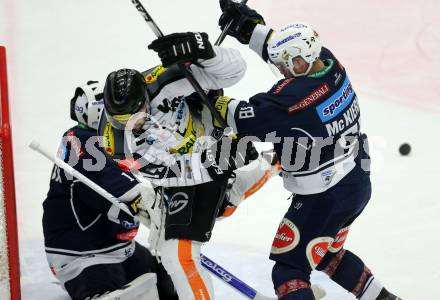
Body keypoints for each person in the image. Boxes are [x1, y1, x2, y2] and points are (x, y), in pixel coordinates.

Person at [199, 1, 400, 299]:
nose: (280, 69)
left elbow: (242, 118)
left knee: (289, 270)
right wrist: (250, 28)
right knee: (326, 253)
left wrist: (202, 94)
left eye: (286, 64)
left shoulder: (293, 100)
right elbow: (278, 48)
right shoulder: (329, 63)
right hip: (355, 181)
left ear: (302, 60)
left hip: (325, 196)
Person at [100, 31, 283, 300]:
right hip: (186, 172)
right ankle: (235, 189)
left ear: (146, 100)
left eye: (135, 116)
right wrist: (216, 161)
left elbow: (235, 71)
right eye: (119, 120)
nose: (129, 125)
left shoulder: (164, 80)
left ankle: (278, 152)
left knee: (177, 254)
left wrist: (206, 53)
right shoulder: (116, 144)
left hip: (216, 129)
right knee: (176, 254)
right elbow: (170, 174)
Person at [42, 81, 177, 300]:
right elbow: (110, 180)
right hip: (82, 255)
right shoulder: (79, 141)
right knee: (112, 294)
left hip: (121, 248)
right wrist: (143, 202)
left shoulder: (114, 139)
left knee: (170, 282)